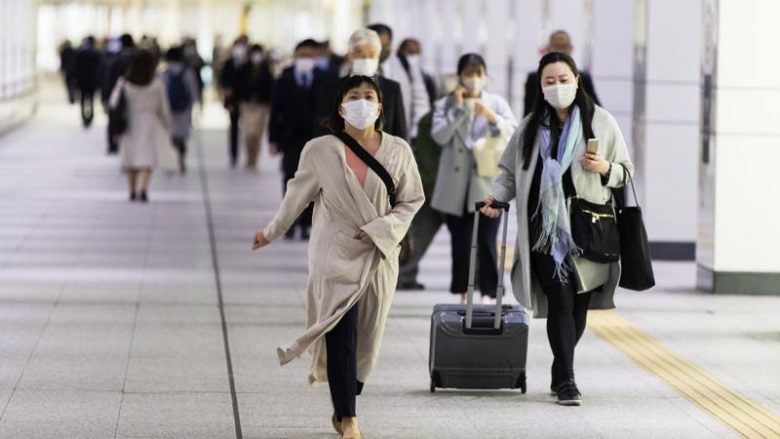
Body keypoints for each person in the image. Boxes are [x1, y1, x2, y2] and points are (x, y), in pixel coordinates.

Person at [252, 76, 424, 439]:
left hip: (377, 255)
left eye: (369, 97)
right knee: (340, 334)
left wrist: (382, 228)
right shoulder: (320, 150)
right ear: (341, 106)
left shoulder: (398, 151)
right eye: (353, 96)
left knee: (367, 340)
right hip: (333, 253)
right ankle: (349, 419)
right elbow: (295, 196)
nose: (362, 103)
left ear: (380, 107)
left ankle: (346, 395)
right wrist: (271, 231)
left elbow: (411, 201)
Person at [480, 52, 634, 406]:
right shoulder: (531, 126)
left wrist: (605, 167)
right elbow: (507, 172)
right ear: (540, 86)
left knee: (579, 305)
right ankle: (567, 380)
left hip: (588, 227)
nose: (557, 87)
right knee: (561, 299)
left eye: (564, 80)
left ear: (577, 81)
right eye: (549, 81)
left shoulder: (601, 122)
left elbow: (626, 172)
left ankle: (559, 364)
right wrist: (496, 198)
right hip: (543, 229)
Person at [431, 53, 517, 304]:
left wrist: (491, 117)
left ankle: (489, 293)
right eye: (468, 74)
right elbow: (439, 136)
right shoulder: (446, 104)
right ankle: (463, 292)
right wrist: (458, 110)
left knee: (488, 242)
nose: (474, 79)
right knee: (461, 243)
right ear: (459, 76)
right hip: (455, 188)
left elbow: (511, 133)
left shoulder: (497, 103)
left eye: (478, 74)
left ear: (486, 76)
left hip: (487, 184)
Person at [269, 39, 336, 240]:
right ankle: (289, 222)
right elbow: (275, 110)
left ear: (315, 57)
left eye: (309, 55)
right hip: (291, 139)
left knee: (315, 183)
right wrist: (273, 139)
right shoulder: (284, 78)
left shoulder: (327, 78)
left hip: (317, 139)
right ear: (295, 56)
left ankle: (308, 223)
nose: (305, 59)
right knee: (291, 180)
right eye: (301, 55)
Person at [110, 49, 177, 203]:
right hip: (149, 122)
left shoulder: (124, 83)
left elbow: (113, 102)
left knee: (132, 157)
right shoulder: (156, 85)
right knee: (147, 157)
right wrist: (167, 124)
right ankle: (144, 188)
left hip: (130, 122)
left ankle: (132, 190)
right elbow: (163, 108)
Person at [314, 29, 407, 140]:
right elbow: (322, 132)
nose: (366, 59)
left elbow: (399, 132)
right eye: (360, 53)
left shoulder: (392, 88)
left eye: (372, 54)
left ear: (378, 56)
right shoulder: (329, 90)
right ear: (350, 55)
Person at [368, 24, 430, 142]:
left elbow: (420, 101)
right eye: (376, 45)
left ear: (391, 43)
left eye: (384, 45)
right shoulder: (358, 66)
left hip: (399, 136)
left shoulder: (405, 65)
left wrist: (415, 133)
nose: (380, 50)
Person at [523, 31, 601, 116]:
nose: (560, 51)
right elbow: (529, 112)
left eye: (563, 46)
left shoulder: (584, 78)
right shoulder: (534, 78)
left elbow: (596, 110)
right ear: (548, 49)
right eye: (550, 82)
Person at [234, 44, 273, 171]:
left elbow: (270, 87)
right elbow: (238, 86)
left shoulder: (266, 69)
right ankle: (249, 158)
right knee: (248, 134)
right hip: (247, 104)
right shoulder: (244, 68)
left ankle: (255, 160)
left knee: (257, 134)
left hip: (261, 105)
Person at [162, 46, 199, 173]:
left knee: (171, 136)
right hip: (184, 108)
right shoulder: (187, 72)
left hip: (169, 108)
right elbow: (193, 90)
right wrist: (194, 105)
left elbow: (161, 92)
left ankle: (172, 161)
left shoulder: (165, 73)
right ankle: (181, 158)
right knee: (182, 136)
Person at [103, 34, 136, 154]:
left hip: (117, 93)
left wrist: (106, 96)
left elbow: (109, 78)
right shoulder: (136, 59)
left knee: (113, 119)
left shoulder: (115, 59)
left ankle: (113, 144)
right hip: (135, 94)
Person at [220, 36, 249, 167]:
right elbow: (224, 83)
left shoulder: (249, 64)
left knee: (249, 129)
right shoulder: (228, 63)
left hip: (247, 102)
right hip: (233, 101)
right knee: (234, 128)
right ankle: (234, 155)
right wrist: (228, 101)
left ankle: (250, 157)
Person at [74, 36, 102, 128]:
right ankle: (90, 117)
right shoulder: (96, 54)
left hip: (83, 81)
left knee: (83, 99)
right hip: (92, 81)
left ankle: (84, 117)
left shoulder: (80, 53)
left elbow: (76, 69)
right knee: (91, 99)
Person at [58, 40, 77, 104]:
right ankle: (72, 95)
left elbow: (62, 62)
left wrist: (62, 69)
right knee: (73, 83)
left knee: (68, 84)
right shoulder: (74, 51)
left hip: (68, 71)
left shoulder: (64, 52)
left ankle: (70, 95)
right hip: (74, 70)